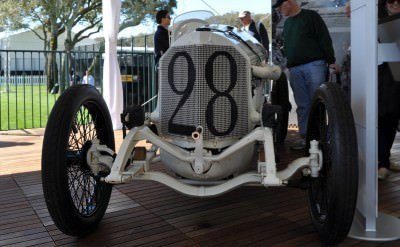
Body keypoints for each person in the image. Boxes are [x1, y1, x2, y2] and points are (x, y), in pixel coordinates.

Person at [274, 0, 338, 150]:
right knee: (302, 104)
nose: (279, 10)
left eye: (280, 6)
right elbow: (287, 46)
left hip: (314, 65)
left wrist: (331, 61)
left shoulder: (311, 16)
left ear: (288, 3)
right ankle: (306, 138)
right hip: (295, 69)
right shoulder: (288, 24)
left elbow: (324, 38)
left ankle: (320, 139)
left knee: (319, 102)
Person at [377, 0, 400, 179]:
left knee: (391, 119)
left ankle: (385, 159)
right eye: (391, 2)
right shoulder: (377, 23)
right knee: (386, 117)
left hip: (395, 74)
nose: (394, 5)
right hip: (386, 75)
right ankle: (382, 161)